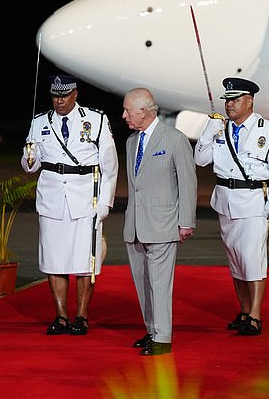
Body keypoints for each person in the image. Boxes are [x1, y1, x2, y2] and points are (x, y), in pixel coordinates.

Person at [22, 75, 118, 336]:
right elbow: (30, 164)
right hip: (52, 197)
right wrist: (29, 159)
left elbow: (109, 166)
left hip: (85, 196)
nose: (59, 100)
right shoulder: (40, 122)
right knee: (55, 259)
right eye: (55, 96)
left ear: (75, 94)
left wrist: (106, 202)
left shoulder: (95, 120)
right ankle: (61, 316)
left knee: (85, 260)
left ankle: (81, 316)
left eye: (64, 95)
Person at [194, 77, 269, 336]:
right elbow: (200, 160)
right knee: (236, 260)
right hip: (225, 201)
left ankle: (256, 316)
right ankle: (245, 311)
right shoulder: (220, 129)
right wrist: (207, 132)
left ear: (250, 101)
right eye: (228, 100)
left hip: (253, 203)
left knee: (253, 260)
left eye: (235, 100)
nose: (230, 105)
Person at [121, 87, 197, 355]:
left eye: (127, 110)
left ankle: (163, 338)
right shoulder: (132, 142)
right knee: (143, 283)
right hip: (136, 226)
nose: (124, 115)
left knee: (160, 284)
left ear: (143, 111)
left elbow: (188, 181)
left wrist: (186, 221)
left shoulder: (175, 139)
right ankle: (152, 330)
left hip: (163, 225)